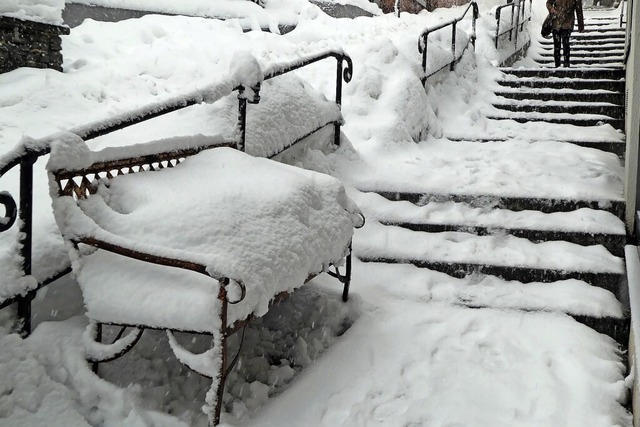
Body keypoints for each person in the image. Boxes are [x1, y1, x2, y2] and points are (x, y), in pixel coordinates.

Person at [546, 0, 585, 67]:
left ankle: (566, 63)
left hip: (567, 23)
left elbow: (579, 9)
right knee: (557, 45)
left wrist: (580, 24)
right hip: (556, 23)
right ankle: (557, 64)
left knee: (565, 43)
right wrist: (551, 8)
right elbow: (548, 2)